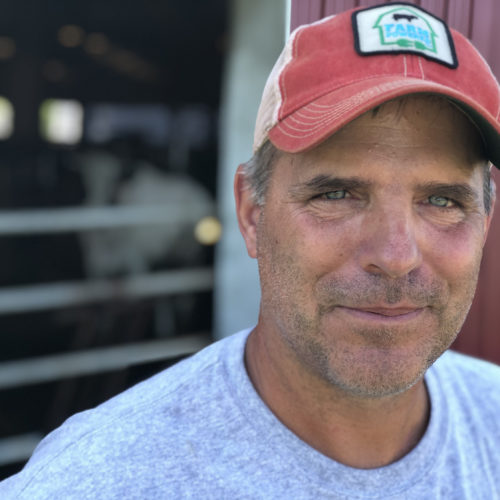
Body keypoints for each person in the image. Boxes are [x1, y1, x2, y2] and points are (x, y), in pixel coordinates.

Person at [2, 3, 500, 498]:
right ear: (252, 214)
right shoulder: (91, 482)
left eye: (443, 201)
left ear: (485, 222)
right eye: (335, 194)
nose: (396, 256)